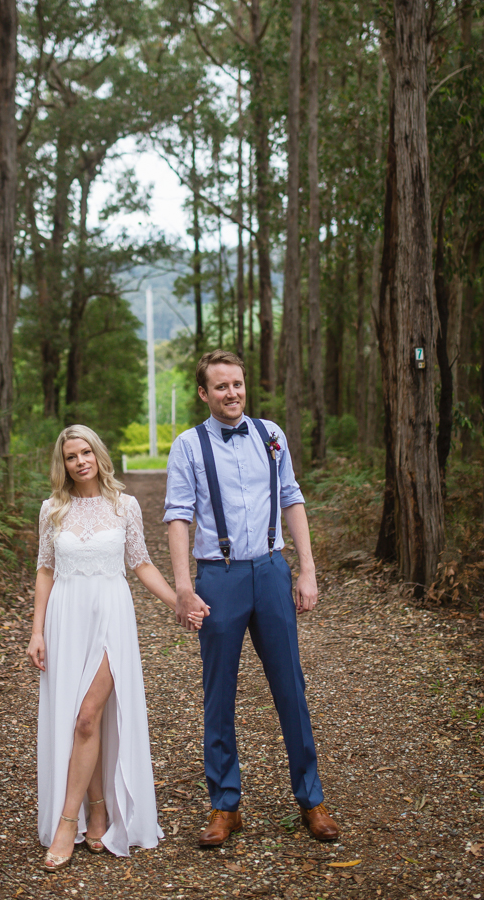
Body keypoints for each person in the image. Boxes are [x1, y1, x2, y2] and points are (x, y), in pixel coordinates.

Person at [164, 350, 339, 845]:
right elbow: (178, 515)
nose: (232, 393)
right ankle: (225, 805)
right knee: (219, 692)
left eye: (237, 384)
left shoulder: (271, 434)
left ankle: (311, 799)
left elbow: (292, 498)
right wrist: (183, 586)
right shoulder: (188, 445)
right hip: (217, 578)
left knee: (291, 686)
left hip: (269, 570)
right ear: (204, 393)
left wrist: (306, 570)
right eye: (220, 386)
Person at [28, 424, 203, 872]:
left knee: (89, 714)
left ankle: (68, 823)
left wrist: (179, 601)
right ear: (62, 464)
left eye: (86, 451)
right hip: (66, 618)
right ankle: (98, 809)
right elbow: (45, 571)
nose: (80, 461)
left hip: (111, 617)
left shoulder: (124, 506)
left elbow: (141, 564)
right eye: (71, 456)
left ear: (98, 455)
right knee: (77, 720)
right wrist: (37, 631)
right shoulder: (52, 510)